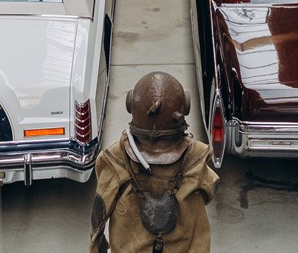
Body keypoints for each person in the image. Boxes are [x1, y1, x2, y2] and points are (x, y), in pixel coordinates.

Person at [90, 71, 219, 253]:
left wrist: (97, 248)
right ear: (185, 107)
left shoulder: (114, 158)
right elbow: (209, 192)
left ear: (130, 104)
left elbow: (99, 216)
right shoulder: (197, 155)